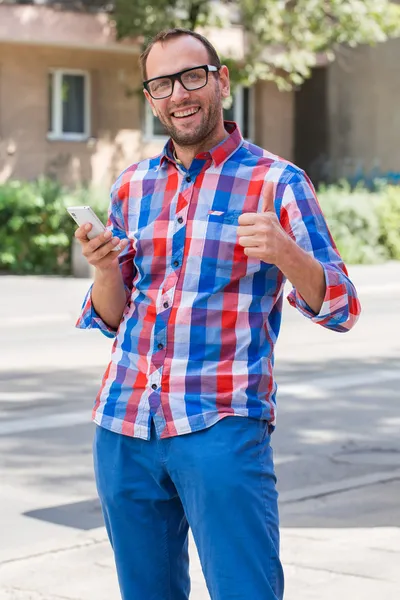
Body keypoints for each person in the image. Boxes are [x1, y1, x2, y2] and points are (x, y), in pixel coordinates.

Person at [75, 28, 361, 600]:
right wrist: (105, 270)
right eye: (162, 83)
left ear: (221, 81)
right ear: (151, 96)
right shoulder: (132, 187)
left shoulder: (278, 182)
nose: (179, 94)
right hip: (124, 427)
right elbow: (110, 318)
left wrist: (286, 253)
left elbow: (341, 307)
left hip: (222, 426)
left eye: (192, 77)